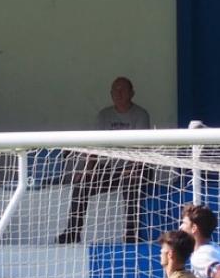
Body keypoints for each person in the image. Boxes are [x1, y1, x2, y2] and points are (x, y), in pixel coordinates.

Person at [57, 77, 150, 244]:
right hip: (109, 168)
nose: (119, 93)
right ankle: (72, 232)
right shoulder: (104, 115)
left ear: (132, 93)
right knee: (82, 185)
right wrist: (88, 169)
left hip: (135, 166)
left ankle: (131, 234)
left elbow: (142, 149)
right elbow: (95, 147)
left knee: (131, 184)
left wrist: (132, 167)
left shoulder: (140, 114)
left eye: (123, 90)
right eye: (115, 90)